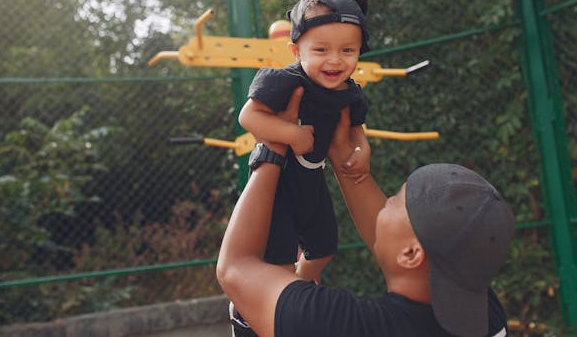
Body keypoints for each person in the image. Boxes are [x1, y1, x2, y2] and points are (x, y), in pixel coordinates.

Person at [217, 87, 515, 337]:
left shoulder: (343, 325)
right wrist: (346, 163)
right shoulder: (483, 318)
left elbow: (236, 267)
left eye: (395, 202)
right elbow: (399, 238)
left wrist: (271, 148)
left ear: (411, 254)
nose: (384, 204)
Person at [237, 0, 372, 284]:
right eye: (321, 50)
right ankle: (272, 305)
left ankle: (300, 285)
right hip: (277, 183)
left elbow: (356, 130)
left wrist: (363, 152)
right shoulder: (283, 81)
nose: (335, 61)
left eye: (347, 50)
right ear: (297, 52)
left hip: (312, 180)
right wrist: (291, 133)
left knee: (323, 248)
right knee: (279, 258)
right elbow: (248, 116)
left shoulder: (350, 93)